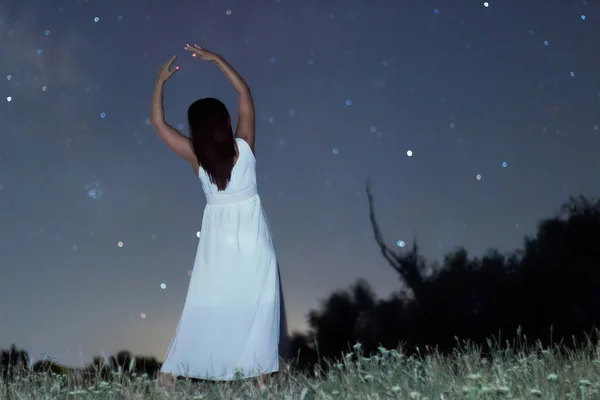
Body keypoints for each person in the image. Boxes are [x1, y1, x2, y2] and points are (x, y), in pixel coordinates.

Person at [150, 45, 282, 385]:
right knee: (259, 305)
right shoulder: (246, 146)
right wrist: (220, 60)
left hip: (217, 242)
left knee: (205, 305)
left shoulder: (196, 156)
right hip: (254, 239)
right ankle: (260, 382)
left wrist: (159, 84)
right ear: (224, 121)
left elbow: (158, 123)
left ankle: (169, 376)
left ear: (196, 128)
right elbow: (244, 91)